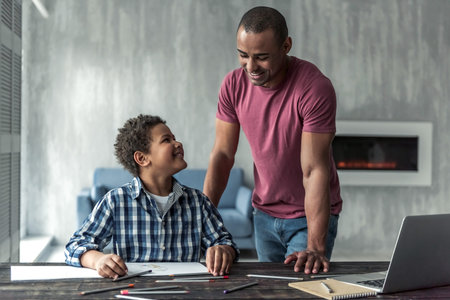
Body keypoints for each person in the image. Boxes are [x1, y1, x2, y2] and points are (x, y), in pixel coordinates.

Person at [203, 6, 342, 274]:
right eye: (243, 55)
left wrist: (315, 245)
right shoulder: (233, 85)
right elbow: (222, 154)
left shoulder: (314, 88)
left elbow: (314, 169)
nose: (251, 67)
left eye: (261, 57)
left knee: (298, 291)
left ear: (286, 46)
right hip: (264, 214)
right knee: (267, 291)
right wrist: (204, 219)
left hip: (306, 218)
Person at [65, 114, 238, 279]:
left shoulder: (198, 202)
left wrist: (223, 250)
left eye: (174, 137)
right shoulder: (115, 201)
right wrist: (98, 260)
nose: (178, 143)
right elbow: (75, 246)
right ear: (142, 158)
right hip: (134, 289)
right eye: (166, 140)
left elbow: (225, 243)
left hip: (186, 290)